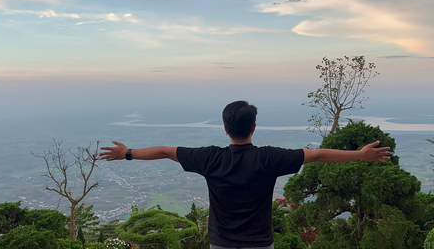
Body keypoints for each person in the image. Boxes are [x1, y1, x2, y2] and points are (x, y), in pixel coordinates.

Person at [100, 100, 391, 249]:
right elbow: (316, 155)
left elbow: (164, 150)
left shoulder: (210, 158)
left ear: (225, 128)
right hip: (260, 242)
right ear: (253, 127)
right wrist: (361, 155)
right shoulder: (269, 158)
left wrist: (127, 153)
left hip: (221, 241)